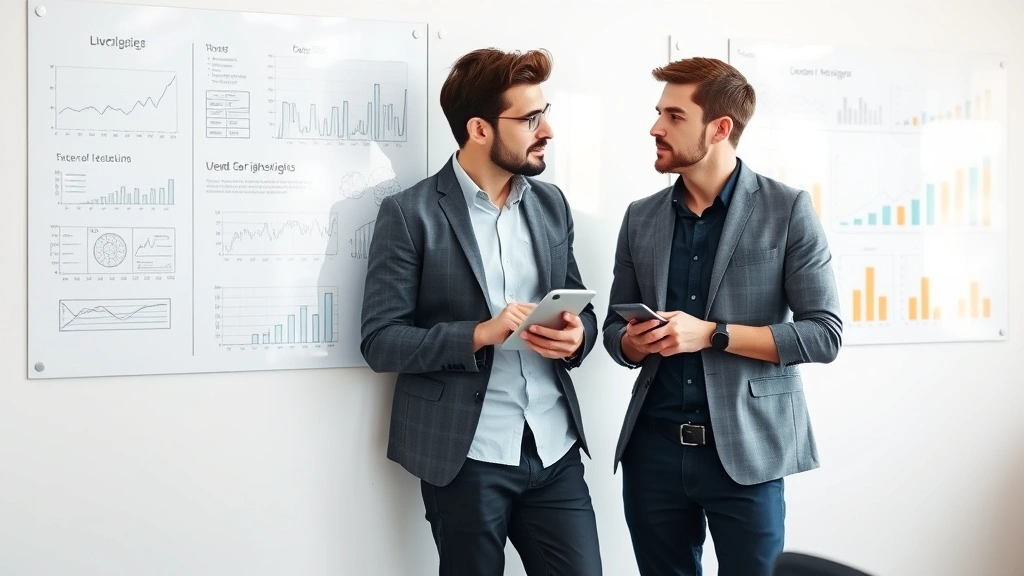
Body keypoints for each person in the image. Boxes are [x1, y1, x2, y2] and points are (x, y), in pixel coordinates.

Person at [360, 48, 602, 576]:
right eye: (530, 119)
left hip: (553, 447)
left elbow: (581, 305)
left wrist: (578, 336)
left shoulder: (551, 204)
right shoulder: (409, 214)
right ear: (480, 129)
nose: (548, 131)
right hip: (466, 454)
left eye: (545, 112)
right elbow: (380, 340)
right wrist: (479, 333)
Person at [602, 56, 843, 576]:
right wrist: (634, 342)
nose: (656, 127)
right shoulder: (639, 217)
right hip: (653, 455)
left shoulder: (788, 209)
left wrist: (711, 335)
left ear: (720, 128)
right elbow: (612, 335)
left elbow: (823, 335)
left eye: (673, 116)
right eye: (658, 114)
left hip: (748, 453)